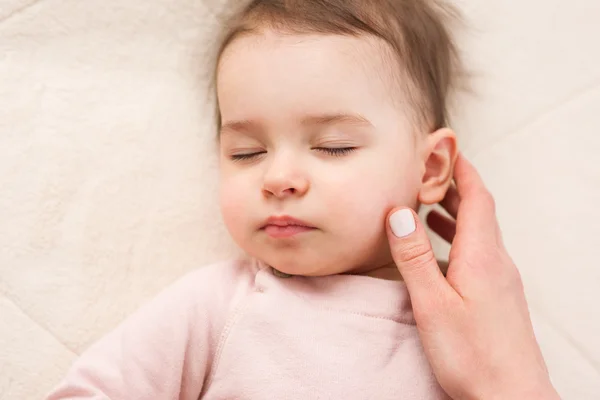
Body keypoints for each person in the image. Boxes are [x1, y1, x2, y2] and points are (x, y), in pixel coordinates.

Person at [46, 0, 559, 398]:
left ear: (429, 168)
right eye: (247, 153)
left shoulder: (480, 321)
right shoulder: (217, 307)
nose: (278, 178)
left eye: (332, 146)